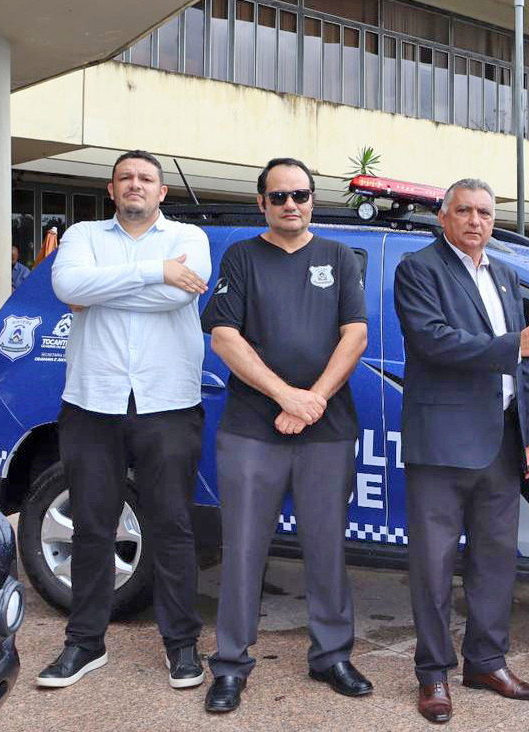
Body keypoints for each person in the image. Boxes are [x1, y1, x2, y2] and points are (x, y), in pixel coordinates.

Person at [200, 157, 371, 713]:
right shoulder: (242, 256)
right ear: (262, 203)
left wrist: (312, 399)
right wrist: (286, 397)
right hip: (253, 427)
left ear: (313, 200)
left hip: (327, 427)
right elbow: (224, 337)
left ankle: (331, 657)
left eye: (300, 194)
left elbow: (356, 335)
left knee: (327, 546)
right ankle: (230, 664)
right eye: (279, 196)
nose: (290, 204)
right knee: (243, 547)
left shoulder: (339, 256)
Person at [40, 150, 210, 690]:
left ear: (162, 192)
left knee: (173, 526)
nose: (136, 184)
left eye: (146, 178)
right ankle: (84, 643)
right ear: (112, 190)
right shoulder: (83, 235)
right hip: (93, 402)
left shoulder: (190, 237)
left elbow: (173, 299)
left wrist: (100, 290)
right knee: (92, 526)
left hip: (168, 403)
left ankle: (181, 646)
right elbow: (68, 289)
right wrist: (155, 270)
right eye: (126, 178)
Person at [393, 178, 529, 725]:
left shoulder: (505, 274)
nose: (475, 221)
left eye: (484, 212)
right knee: (433, 566)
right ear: (444, 217)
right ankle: (433, 674)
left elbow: (523, 363)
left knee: (495, 560)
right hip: (441, 444)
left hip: (502, 442)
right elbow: (432, 340)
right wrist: (516, 344)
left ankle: (486, 662)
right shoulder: (419, 269)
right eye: (463, 211)